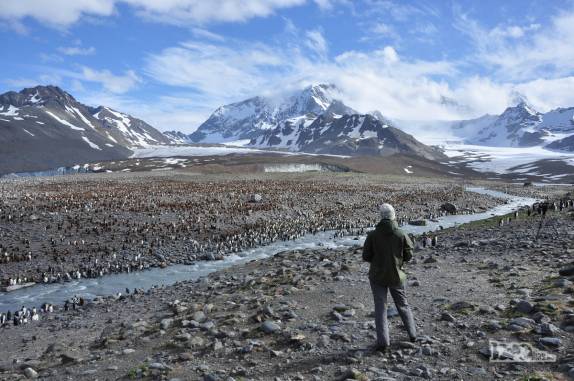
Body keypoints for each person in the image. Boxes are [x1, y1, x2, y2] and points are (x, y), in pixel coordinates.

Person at [363, 203, 417, 352]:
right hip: (396, 276)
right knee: (403, 304)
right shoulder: (401, 234)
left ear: (381, 216)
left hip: (377, 277)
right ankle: (413, 335)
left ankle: (383, 343)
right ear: (393, 215)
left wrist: (377, 261)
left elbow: (366, 255)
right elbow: (409, 254)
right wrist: (398, 262)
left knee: (380, 308)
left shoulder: (373, 235)